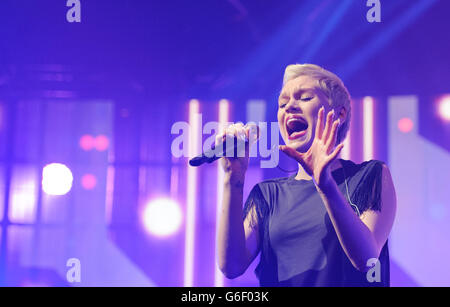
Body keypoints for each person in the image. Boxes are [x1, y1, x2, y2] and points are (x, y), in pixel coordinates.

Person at [216, 64, 397, 287]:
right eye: (283, 103)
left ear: (339, 113)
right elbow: (231, 267)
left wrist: (325, 184)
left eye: (304, 98)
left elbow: (367, 260)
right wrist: (232, 178)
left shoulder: (370, 176)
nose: (289, 106)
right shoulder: (268, 195)